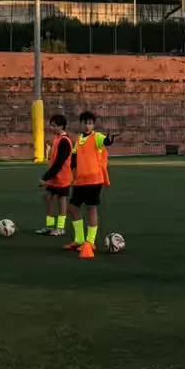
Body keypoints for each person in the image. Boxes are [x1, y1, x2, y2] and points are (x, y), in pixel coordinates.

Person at [64, 110, 117, 259]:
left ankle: (90, 242)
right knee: (73, 208)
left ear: (93, 125)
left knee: (90, 209)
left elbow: (105, 142)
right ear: (81, 124)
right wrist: (72, 172)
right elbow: (74, 158)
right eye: (85, 123)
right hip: (80, 181)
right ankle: (79, 239)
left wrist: (110, 140)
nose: (88, 125)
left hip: (94, 180)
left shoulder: (97, 137)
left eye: (90, 123)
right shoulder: (79, 139)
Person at [36, 114, 72, 236]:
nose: (51, 128)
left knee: (61, 200)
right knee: (49, 198)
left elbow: (59, 163)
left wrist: (45, 178)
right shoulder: (56, 138)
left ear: (61, 126)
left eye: (54, 126)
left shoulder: (65, 141)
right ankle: (49, 226)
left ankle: (61, 227)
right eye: (51, 125)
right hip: (55, 177)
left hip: (62, 177)